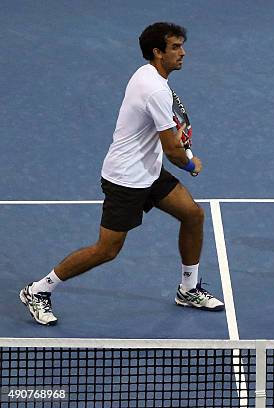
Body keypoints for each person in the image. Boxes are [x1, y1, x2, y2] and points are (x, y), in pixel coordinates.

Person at [20, 22, 224, 325]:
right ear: (157, 53)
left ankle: (188, 289)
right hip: (126, 180)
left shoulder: (149, 76)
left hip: (149, 171)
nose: (183, 53)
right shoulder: (155, 89)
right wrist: (191, 164)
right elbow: (172, 150)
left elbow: (163, 140)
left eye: (181, 46)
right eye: (175, 47)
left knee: (193, 215)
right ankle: (38, 290)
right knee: (106, 250)